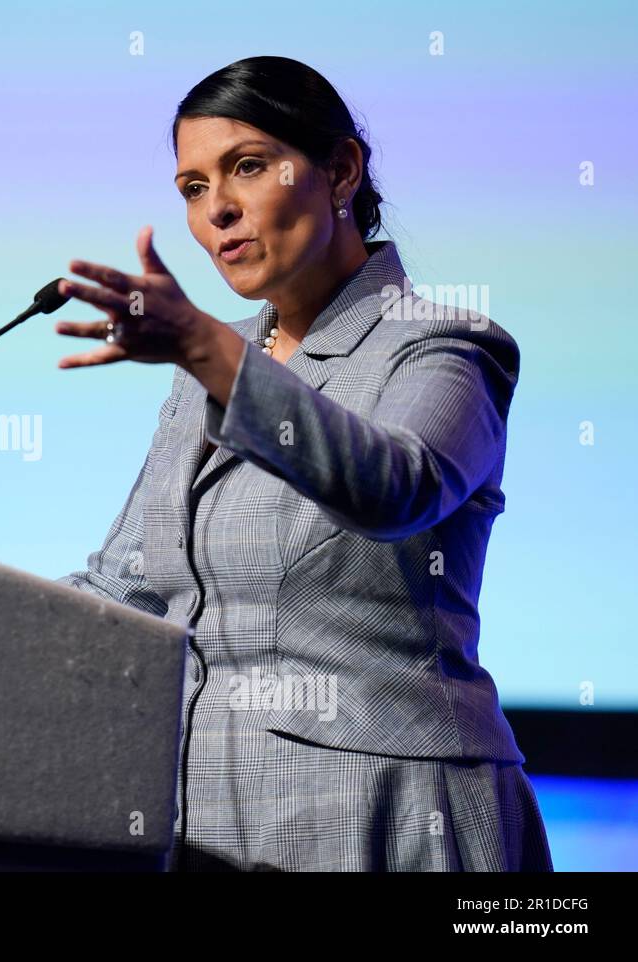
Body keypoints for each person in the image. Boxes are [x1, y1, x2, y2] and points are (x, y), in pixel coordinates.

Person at [53, 56, 552, 872]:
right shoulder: (205, 378)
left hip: (389, 816)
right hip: (204, 826)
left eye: (247, 167)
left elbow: (393, 486)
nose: (217, 209)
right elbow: (128, 591)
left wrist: (205, 347)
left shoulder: (443, 349)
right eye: (190, 187)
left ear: (340, 170)